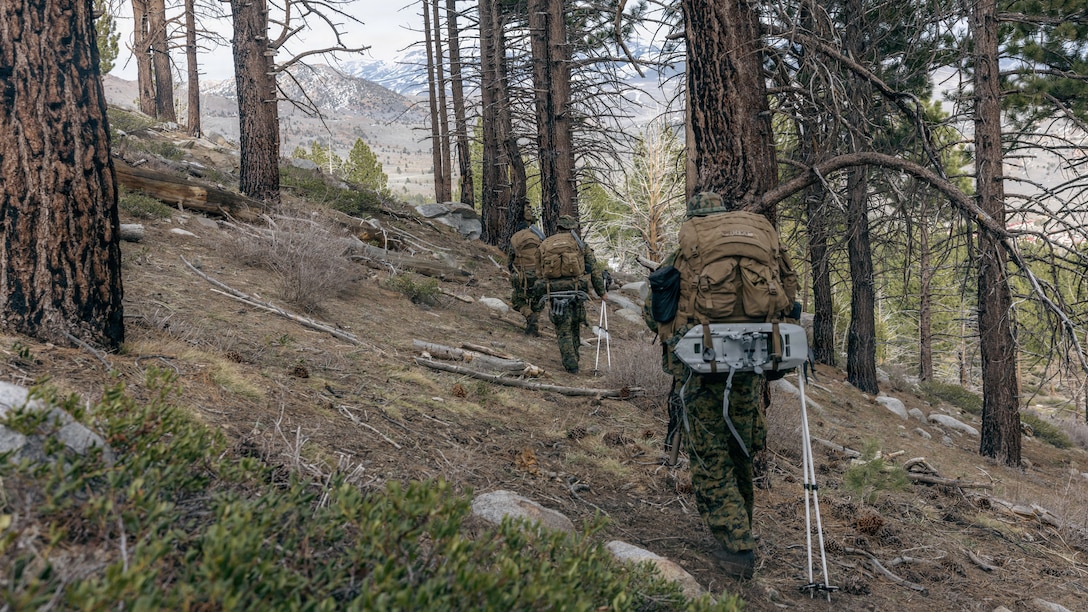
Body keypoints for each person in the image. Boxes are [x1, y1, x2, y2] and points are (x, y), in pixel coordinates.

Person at [644, 192, 798, 580]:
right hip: (751, 361)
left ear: (696, 220)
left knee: (710, 454)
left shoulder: (686, 254)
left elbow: (655, 311)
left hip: (701, 364)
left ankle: (736, 545)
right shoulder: (760, 246)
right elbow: (789, 297)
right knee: (739, 448)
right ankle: (741, 525)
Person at [536, 215, 606, 374]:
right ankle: (574, 359)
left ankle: (571, 363)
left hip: (554, 292)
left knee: (563, 329)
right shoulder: (579, 244)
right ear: (572, 228)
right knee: (575, 324)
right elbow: (595, 270)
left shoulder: (545, 244)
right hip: (576, 290)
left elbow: (539, 271)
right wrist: (601, 292)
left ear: (558, 227)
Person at [507, 208, 546, 336]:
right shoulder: (538, 237)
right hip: (538, 274)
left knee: (517, 300)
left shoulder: (515, 238)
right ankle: (534, 323)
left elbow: (510, 260)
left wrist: (513, 272)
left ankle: (529, 316)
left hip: (522, 275)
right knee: (537, 301)